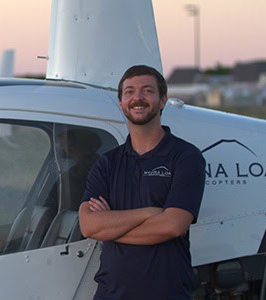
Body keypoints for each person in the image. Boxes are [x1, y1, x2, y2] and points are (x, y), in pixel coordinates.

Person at [78, 65, 206, 299]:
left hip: (166, 293)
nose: (137, 98)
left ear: (163, 100)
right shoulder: (107, 163)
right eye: (129, 92)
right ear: (121, 102)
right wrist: (149, 213)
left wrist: (108, 228)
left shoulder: (186, 157)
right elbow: (88, 226)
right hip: (110, 293)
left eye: (147, 91)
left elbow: (173, 226)